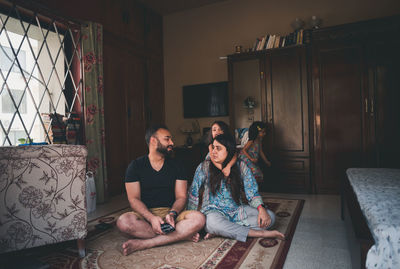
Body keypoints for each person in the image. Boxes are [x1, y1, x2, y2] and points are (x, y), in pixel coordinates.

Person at [116, 124, 205, 256]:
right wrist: (152, 218)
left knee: (199, 219)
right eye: (167, 139)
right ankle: (180, 236)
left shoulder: (178, 165)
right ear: (153, 140)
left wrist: (172, 214)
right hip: (146, 215)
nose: (172, 143)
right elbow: (134, 199)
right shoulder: (135, 166)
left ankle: (145, 243)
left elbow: (181, 197)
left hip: (173, 215)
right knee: (123, 223)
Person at [188, 133, 284, 242]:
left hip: (237, 211)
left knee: (270, 217)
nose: (213, 152)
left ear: (229, 150)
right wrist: (191, 224)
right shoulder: (204, 166)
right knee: (212, 223)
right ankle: (260, 233)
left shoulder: (240, 166)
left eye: (218, 149)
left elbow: (252, 192)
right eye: (213, 147)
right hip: (213, 212)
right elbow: (193, 194)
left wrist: (261, 209)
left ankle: (222, 230)